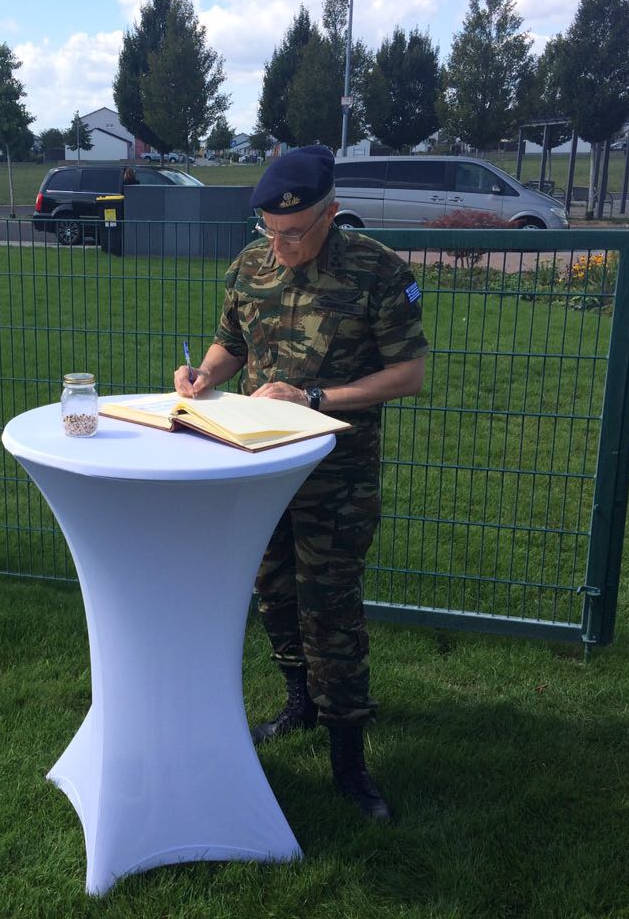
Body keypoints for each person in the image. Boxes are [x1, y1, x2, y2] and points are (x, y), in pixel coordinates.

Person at [173, 145, 428, 821]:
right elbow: (232, 343)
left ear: (331, 214)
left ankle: (349, 759)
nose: (279, 247)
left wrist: (314, 398)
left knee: (330, 608)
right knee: (273, 590)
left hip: (335, 475)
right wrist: (203, 376)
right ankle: (299, 703)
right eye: (269, 230)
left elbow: (408, 375)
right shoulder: (249, 264)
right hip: (258, 467)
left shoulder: (378, 271)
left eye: (293, 233)